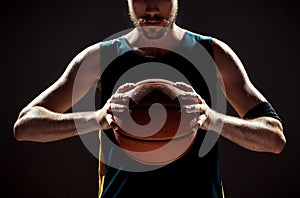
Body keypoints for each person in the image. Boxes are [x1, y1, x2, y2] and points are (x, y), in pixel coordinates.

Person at [13, 0, 286, 197]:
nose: (152, 8)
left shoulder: (213, 55)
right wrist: (97, 118)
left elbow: (273, 138)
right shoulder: (100, 58)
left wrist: (212, 119)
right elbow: (26, 126)